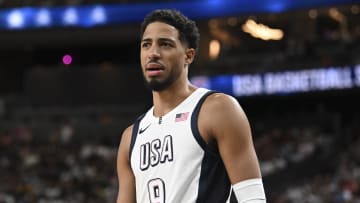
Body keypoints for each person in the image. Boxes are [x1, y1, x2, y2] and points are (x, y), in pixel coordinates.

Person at [116, 9, 266, 203]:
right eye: (146, 45)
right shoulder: (130, 137)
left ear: (189, 55)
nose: (153, 53)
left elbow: (253, 199)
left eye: (165, 44)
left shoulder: (217, 109)